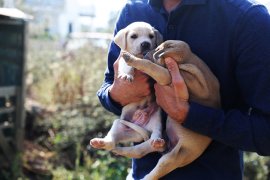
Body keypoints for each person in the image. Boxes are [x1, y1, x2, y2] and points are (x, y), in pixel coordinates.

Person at [96, 0, 270, 179]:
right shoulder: (132, 11)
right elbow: (108, 86)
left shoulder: (248, 18)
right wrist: (117, 95)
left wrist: (190, 115)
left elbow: (266, 133)